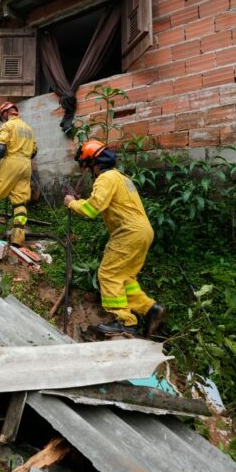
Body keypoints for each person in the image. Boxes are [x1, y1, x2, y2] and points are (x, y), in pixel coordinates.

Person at [64, 139, 165, 337]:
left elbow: (92, 209)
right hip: (143, 231)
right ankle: (151, 309)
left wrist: (71, 203)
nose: (90, 172)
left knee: (108, 274)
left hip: (128, 232)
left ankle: (126, 322)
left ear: (95, 163)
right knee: (125, 278)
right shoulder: (121, 177)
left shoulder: (106, 178)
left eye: (88, 167)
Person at [0, 102, 37, 246]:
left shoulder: (8, 126)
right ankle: (18, 238)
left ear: (6, 113)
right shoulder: (29, 129)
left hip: (10, 162)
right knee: (20, 201)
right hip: (26, 165)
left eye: (3, 116)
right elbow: (34, 151)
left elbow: (0, 149)